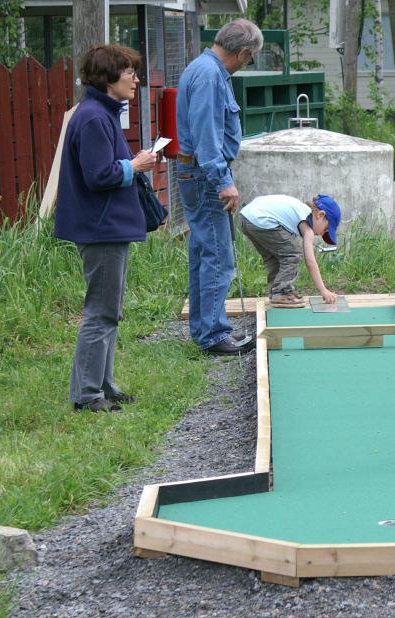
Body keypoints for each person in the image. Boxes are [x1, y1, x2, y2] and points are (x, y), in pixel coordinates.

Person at [55, 44, 157, 413]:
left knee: (109, 309)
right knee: (101, 311)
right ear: (108, 76)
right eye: (129, 72)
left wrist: (132, 164)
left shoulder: (100, 112)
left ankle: (103, 384)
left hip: (106, 227)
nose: (136, 79)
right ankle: (87, 395)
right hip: (100, 228)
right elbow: (99, 176)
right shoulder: (95, 117)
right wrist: (137, 166)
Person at [176, 18, 263, 355]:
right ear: (242, 53)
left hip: (196, 172)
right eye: (250, 59)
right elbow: (207, 137)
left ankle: (204, 330)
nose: (246, 65)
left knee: (203, 252)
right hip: (204, 175)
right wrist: (224, 182)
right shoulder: (211, 76)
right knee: (217, 256)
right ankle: (213, 335)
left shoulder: (202, 68)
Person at [238, 194, 342, 307]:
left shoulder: (299, 210)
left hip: (247, 217)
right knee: (293, 255)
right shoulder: (307, 225)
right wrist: (323, 290)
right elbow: (310, 261)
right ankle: (282, 293)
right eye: (326, 229)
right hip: (261, 219)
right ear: (320, 215)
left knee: (274, 257)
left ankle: (276, 293)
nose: (321, 234)